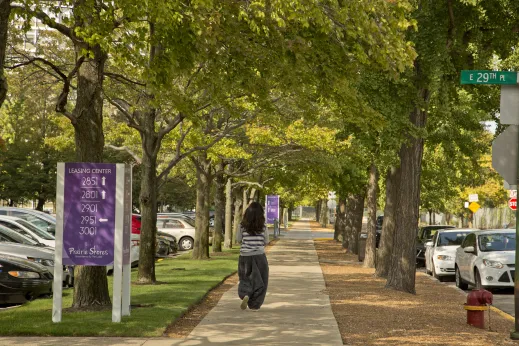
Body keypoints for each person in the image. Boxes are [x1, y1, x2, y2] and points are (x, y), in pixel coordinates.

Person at [237, 201, 269, 311]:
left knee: (245, 278)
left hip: (244, 256)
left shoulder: (241, 226)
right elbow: (266, 241)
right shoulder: (263, 227)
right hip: (259, 256)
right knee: (261, 280)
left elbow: (238, 240)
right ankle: (255, 304)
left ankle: (245, 294)